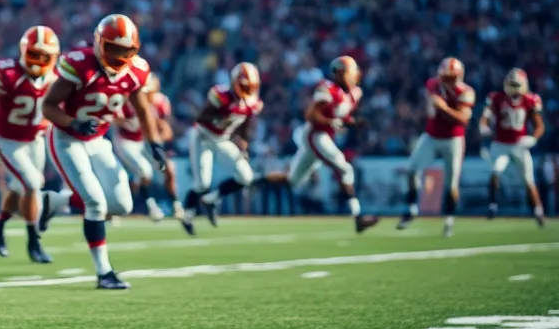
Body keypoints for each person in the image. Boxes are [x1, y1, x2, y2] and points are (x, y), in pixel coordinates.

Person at [40, 14, 168, 289]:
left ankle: (57, 202)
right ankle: (104, 273)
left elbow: (143, 108)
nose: (120, 56)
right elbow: (48, 107)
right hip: (67, 138)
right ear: (99, 43)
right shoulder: (80, 65)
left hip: (97, 140)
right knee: (96, 203)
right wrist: (74, 122)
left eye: (126, 50)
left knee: (122, 205)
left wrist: (154, 142)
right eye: (113, 48)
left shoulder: (136, 71)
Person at [0, 25, 59, 263]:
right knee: (32, 184)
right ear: (24, 51)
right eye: (35, 53)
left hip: (34, 139)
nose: (40, 60)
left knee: (20, 187)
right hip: (7, 140)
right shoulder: (10, 73)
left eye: (45, 56)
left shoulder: (54, 80)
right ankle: (34, 241)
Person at [280, 56, 379, 232]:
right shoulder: (328, 88)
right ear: (342, 74)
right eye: (351, 71)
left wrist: (353, 122)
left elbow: (341, 116)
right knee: (345, 168)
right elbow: (311, 115)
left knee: (293, 181)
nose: (355, 74)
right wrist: (331, 122)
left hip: (324, 136)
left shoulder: (354, 94)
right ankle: (358, 217)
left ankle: (257, 180)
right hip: (315, 135)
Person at [179, 63, 263, 234]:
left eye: (251, 86)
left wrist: (243, 146)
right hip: (203, 136)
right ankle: (187, 215)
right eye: (244, 85)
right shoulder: (222, 95)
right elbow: (201, 117)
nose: (247, 90)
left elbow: (245, 126)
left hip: (222, 139)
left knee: (246, 177)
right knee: (202, 183)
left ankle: (212, 199)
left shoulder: (252, 103)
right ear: (234, 82)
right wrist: (224, 114)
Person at [397, 57, 476, 236]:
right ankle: (410, 208)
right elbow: (433, 103)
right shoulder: (433, 84)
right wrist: (442, 108)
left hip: (453, 139)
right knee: (412, 170)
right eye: (444, 76)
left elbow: (463, 119)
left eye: (449, 77)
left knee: (451, 183)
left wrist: (444, 109)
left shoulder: (466, 92)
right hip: (431, 136)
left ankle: (449, 220)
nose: (445, 80)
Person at [112, 73, 183, 222]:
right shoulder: (128, 101)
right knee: (141, 172)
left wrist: (156, 138)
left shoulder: (160, 102)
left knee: (167, 168)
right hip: (126, 140)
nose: (149, 95)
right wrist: (126, 122)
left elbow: (167, 131)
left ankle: (175, 204)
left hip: (146, 141)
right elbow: (114, 119)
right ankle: (149, 207)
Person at [481, 68, 546, 226]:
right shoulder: (497, 98)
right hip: (500, 143)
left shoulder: (530, 100)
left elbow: (539, 126)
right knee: (495, 171)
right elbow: (486, 115)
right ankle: (492, 205)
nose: (514, 88)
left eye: (516, 84)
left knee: (529, 180)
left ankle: (538, 211)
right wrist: (484, 126)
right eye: (511, 84)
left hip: (519, 144)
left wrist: (533, 138)